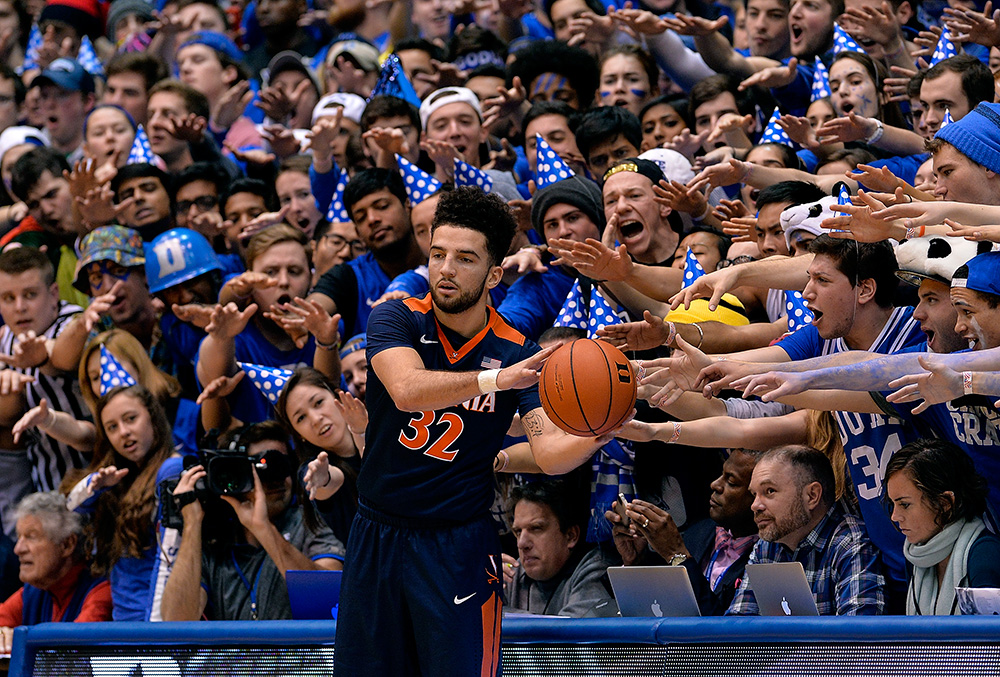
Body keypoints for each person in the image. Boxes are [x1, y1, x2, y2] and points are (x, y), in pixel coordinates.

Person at [334, 187, 619, 675]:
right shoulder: (396, 316)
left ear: (493, 274)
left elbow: (549, 452)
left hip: (458, 546)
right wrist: (496, 380)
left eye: (464, 259)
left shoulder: (516, 350)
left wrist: (611, 425)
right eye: (438, 254)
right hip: (376, 534)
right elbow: (405, 389)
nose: (445, 268)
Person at [161, 421, 344, 621]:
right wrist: (192, 523)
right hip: (231, 654)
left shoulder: (311, 520)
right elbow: (176, 620)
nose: (276, 477)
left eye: (281, 465)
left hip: (297, 652)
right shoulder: (215, 540)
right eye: (263, 467)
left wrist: (263, 529)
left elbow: (327, 602)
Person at [64, 385, 182, 621]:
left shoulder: (172, 470)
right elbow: (71, 504)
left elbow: (168, 560)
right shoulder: (121, 477)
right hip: (124, 623)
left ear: (153, 417)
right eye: (112, 427)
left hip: (156, 625)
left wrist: (154, 632)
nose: (124, 432)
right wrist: (96, 486)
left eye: (131, 419)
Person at [729, 444, 886, 615]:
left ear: (812, 495)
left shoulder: (848, 543)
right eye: (754, 494)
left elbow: (857, 635)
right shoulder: (765, 546)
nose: (755, 506)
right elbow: (738, 625)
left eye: (769, 491)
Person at [607, 449, 760, 615]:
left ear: (758, 496)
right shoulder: (700, 530)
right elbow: (657, 608)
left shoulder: (767, 556)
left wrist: (676, 553)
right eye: (720, 475)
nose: (715, 484)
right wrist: (636, 561)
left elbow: (723, 632)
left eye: (731, 481)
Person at [885, 438, 1000, 615]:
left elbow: (988, 639)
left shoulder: (984, 555)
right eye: (893, 504)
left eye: (905, 504)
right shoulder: (916, 557)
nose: (895, 516)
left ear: (945, 502)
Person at [0, 491, 111, 650]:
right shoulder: (34, 591)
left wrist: (18, 641)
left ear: (67, 544)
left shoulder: (100, 591)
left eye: (31, 537)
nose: (18, 549)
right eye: (19, 537)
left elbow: (72, 650)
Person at [504, 480, 616, 618]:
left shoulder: (595, 568)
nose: (521, 544)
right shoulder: (510, 572)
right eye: (518, 532)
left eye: (536, 528)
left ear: (570, 536)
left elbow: (571, 633)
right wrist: (481, 588)